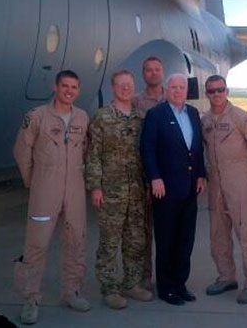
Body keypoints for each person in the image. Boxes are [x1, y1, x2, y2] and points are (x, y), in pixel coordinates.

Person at [13, 70, 90, 324]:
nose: (69, 91)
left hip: (74, 187)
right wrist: (33, 181)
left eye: (74, 87)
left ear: (78, 91)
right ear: (56, 87)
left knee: (75, 240)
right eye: (65, 86)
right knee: (37, 244)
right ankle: (31, 299)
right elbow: (22, 152)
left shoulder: (82, 117)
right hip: (45, 186)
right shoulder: (36, 117)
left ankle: (71, 291)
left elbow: (86, 152)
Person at [86, 70, 153, 310]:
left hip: (136, 191)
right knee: (109, 242)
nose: (126, 88)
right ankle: (109, 288)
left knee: (135, 240)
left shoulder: (141, 118)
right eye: (121, 85)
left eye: (129, 84)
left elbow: (147, 155)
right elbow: (92, 155)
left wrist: (147, 184)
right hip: (111, 191)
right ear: (113, 88)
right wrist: (95, 187)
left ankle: (131, 283)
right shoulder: (102, 118)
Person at [140, 73, 206, 306]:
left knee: (185, 240)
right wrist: (155, 178)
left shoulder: (193, 113)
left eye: (181, 87)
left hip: (189, 188)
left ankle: (180, 284)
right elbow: (147, 149)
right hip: (165, 189)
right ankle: (166, 288)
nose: (178, 91)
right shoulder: (156, 115)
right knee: (167, 239)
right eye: (174, 87)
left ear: (187, 91)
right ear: (167, 90)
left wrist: (200, 174)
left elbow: (196, 150)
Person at [202, 75, 247, 304]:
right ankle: (226, 276)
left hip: (239, 178)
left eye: (220, 90)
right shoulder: (206, 120)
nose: (216, 94)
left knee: (245, 232)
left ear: (226, 91)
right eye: (211, 91)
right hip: (215, 180)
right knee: (218, 232)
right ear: (207, 93)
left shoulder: (242, 118)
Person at [132, 56, 166, 291]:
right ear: (143, 74)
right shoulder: (135, 102)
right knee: (142, 231)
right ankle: (144, 277)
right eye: (148, 70)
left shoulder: (173, 97)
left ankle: (167, 276)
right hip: (144, 175)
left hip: (170, 175)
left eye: (156, 69)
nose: (153, 73)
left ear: (162, 72)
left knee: (167, 230)